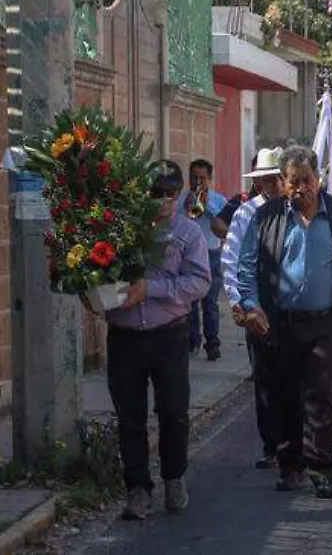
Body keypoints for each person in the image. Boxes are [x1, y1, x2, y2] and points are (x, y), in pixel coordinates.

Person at [236, 146, 332, 500]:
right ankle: (290, 465)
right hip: (281, 323)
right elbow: (246, 267)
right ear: (282, 183)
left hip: (325, 322)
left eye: (307, 180)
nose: (301, 188)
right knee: (285, 397)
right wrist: (251, 305)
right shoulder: (266, 218)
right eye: (293, 181)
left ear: (318, 178)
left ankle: (322, 469)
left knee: (322, 395)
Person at [98, 160, 211, 520]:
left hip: (169, 334)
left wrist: (151, 288)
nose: (162, 200)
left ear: (179, 194)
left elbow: (199, 282)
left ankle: (173, 476)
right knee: (130, 417)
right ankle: (138, 489)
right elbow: (98, 270)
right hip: (126, 336)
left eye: (170, 193)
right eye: (155, 192)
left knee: (174, 413)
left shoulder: (188, 232)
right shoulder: (121, 229)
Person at [222, 148, 285, 470]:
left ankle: (295, 443)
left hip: (292, 311)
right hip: (258, 308)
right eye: (266, 180)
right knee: (265, 381)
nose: (271, 185)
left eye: (276, 179)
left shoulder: (297, 211)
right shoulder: (247, 213)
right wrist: (240, 303)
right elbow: (232, 261)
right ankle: (271, 445)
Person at [180, 158, 227, 360]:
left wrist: (206, 206)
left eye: (202, 178)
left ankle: (212, 343)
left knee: (210, 303)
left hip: (211, 253)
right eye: (194, 178)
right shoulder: (181, 199)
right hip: (188, 255)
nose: (197, 182)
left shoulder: (219, 201)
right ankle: (193, 340)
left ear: (210, 179)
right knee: (190, 302)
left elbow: (224, 227)